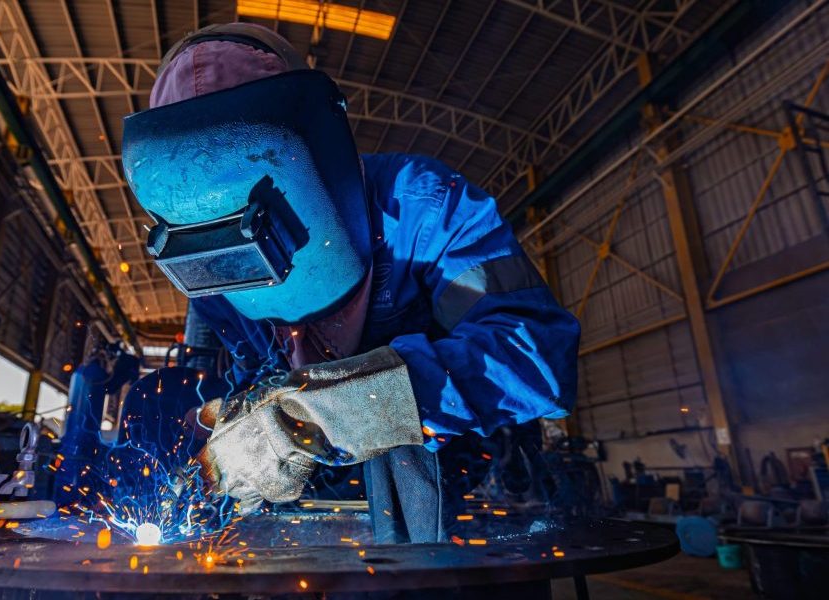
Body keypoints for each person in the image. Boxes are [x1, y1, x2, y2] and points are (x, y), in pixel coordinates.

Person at [121, 23, 580, 543]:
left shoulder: (423, 208)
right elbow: (260, 376)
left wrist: (335, 412)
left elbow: (537, 353)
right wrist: (249, 417)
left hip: (467, 489)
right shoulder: (208, 275)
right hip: (324, 504)